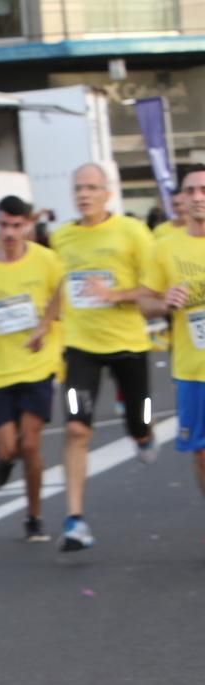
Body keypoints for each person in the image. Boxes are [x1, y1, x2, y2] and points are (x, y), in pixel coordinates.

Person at [51, 162, 160, 552]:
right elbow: (59, 286)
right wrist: (43, 324)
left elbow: (153, 287)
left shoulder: (132, 232)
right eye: (79, 188)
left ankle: (143, 435)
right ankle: (75, 520)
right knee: (77, 428)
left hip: (128, 342)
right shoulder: (61, 237)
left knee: (140, 419)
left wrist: (114, 295)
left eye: (92, 188)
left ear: (107, 193)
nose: (84, 194)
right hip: (81, 346)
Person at [0, 195, 63, 541]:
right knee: (8, 448)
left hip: (36, 364)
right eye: (4, 225)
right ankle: (4, 461)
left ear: (28, 225)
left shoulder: (46, 260)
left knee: (30, 444)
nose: (9, 233)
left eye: (17, 226)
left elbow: (61, 296)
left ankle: (33, 516)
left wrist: (44, 325)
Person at [148, 165, 205, 498]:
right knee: (201, 454)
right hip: (193, 370)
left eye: (203, 189)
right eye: (191, 191)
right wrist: (164, 301)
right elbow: (145, 303)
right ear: (181, 198)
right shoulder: (165, 248)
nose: (198, 197)